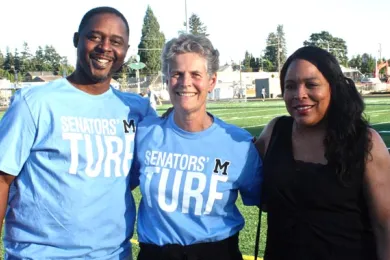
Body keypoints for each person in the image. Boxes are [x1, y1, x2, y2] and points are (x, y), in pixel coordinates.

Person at [0, 7, 156, 259]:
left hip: (113, 254)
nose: (105, 47)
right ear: (76, 40)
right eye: (95, 37)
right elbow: (2, 179)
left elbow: (139, 173)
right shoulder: (35, 103)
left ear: (126, 51)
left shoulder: (137, 110)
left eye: (116, 41)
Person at [132, 34, 263, 260]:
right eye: (177, 74)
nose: (185, 83)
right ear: (166, 79)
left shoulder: (238, 144)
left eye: (195, 74)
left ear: (211, 81)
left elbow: (266, 198)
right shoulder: (145, 134)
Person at [255, 46, 390, 260]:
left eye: (311, 85)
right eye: (290, 86)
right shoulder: (275, 132)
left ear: (333, 88)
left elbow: (386, 227)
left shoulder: (365, 142)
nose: (299, 95)